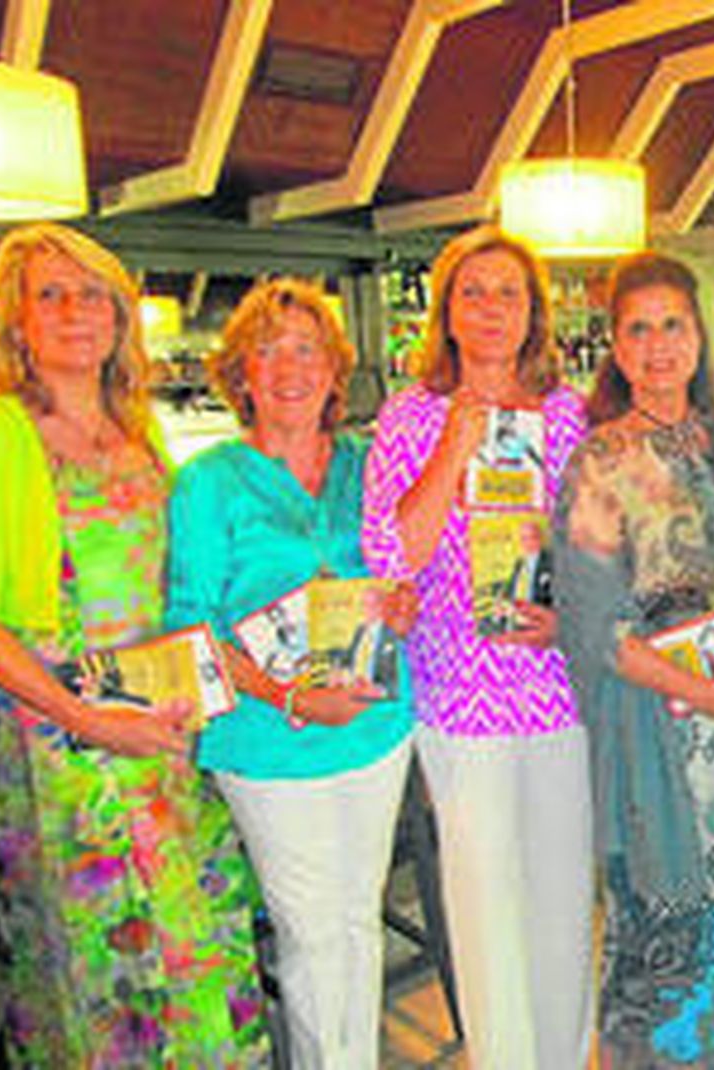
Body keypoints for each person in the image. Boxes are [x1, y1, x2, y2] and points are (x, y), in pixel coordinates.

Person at [0, 223, 268, 1066]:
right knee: (104, 975)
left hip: (162, 731)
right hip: (68, 747)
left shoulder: (133, 423)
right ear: (15, 318)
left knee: (199, 948)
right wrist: (89, 720)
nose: (76, 312)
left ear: (121, 316)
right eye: (51, 294)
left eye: (94, 296)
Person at [554, 251, 714, 1067]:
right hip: (657, 732)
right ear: (616, 346)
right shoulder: (595, 462)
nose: (659, 344)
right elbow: (594, 628)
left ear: (700, 335)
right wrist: (693, 692)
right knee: (669, 922)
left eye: (674, 324)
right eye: (639, 328)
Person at [166, 279, 419, 1069]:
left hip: (378, 730)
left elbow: (400, 563)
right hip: (268, 743)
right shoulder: (209, 481)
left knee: (356, 923)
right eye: (265, 351)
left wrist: (403, 603)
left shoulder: (366, 461)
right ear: (239, 375)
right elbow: (191, 624)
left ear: (335, 369)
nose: (287, 367)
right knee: (311, 938)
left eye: (306, 347)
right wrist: (288, 695)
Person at [361, 227, 592, 1070]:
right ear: (447, 311)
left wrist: (568, 616)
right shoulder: (409, 417)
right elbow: (393, 555)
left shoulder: (566, 414)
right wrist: (457, 444)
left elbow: (597, 549)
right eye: (473, 292)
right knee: (485, 907)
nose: (490, 308)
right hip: (460, 699)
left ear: (532, 313)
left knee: (564, 902)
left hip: (560, 692)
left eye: (508, 293)